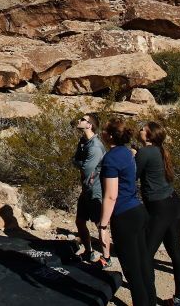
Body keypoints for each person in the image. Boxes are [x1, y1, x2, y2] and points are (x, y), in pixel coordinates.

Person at [99, 118, 157, 306]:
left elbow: (110, 196)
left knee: (132, 271)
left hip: (124, 216)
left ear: (109, 135)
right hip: (137, 211)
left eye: (104, 130)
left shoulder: (111, 157)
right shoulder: (127, 152)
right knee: (143, 264)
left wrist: (103, 225)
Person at [136, 121, 180, 306]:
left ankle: (148, 299)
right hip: (173, 204)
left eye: (143, 129)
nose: (139, 130)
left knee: (146, 255)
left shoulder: (144, 152)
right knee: (175, 252)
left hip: (159, 209)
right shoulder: (160, 150)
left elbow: (133, 175)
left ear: (149, 135)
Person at [72, 113, 109, 265]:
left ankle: (106, 257)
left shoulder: (95, 147)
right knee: (80, 221)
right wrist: (79, 161)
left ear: (89, 125)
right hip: (86, 188)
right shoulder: (84, 142)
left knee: (100, 225)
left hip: (95, 190)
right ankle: (89, 251)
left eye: (83, 119)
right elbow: (76, 160)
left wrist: (78, 162)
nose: (79, 120)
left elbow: (87, 168)